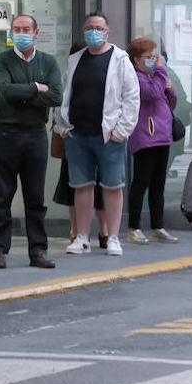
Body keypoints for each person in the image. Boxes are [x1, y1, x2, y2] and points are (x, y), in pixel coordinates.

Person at [56, 13, 140, 258]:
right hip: (77, 135)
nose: (94, 31)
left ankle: (112, 237)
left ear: (107, 31)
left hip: (109, 135)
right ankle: (82, 237)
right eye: (90, 27)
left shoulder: (120, 60)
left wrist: (121, 131)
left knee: (112, 186)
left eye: (99, 27)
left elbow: (131, 98)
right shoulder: (75, 60)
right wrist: (62, 126)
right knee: (81, 186)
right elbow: (63, 94)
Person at [0, 14, 63, 270]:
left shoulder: (48, 62)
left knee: (35, 197)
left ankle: (38, 251)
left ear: (35, 32)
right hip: (6, 134)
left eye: (25, 29)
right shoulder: (1, 60)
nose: (20, 33)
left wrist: (25, 92)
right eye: (16, 29)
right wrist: (35, 88)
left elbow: (55, 96)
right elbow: (5, 91)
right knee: (3, 195)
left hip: (35, 135)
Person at [52, 41, 107, 248]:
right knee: (75, 185)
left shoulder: (105, 72)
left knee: (100, 186)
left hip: (100, 137)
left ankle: (101, 231)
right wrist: (63, 129)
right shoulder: (69, 75)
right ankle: (79, 231)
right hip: (75, 138)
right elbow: (59, 104)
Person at [126, 38, 179, 246]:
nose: (153, 61)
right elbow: (151, 94)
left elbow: (170, 102)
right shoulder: (137, 78)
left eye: (154, 57)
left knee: (158, 184)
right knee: (141, 182)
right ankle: (134, 227)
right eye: (148, 57)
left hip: (162, 135)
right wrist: (162, 73)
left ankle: (158, 225)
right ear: (136, 59)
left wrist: (170, 88)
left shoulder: (155, 76)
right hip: (145, 136)